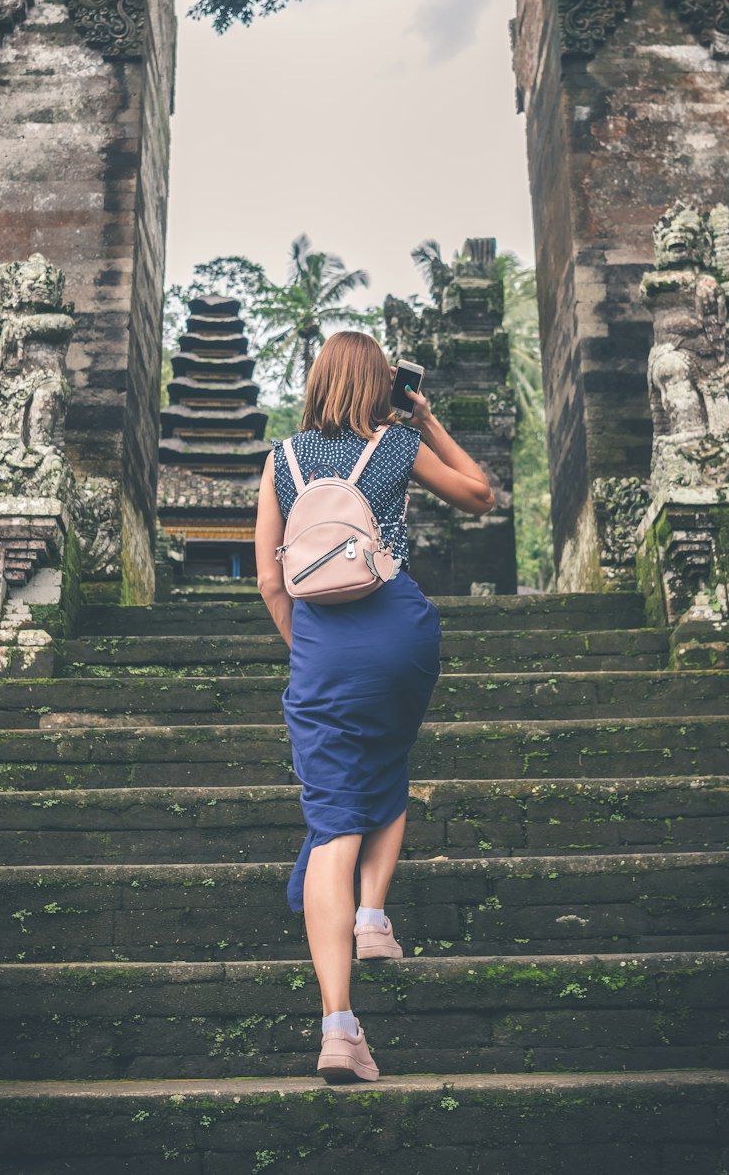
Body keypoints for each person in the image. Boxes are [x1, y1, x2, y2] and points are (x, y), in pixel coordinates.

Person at [254, 330, 495, 1083]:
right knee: (388, 756)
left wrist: (308, 650)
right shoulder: (394, 447)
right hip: (399, 630)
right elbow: (480, 495)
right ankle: (371, 915)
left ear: (319, 380)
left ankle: (337, 1027)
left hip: (325, 642)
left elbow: (268, 579)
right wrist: (425, 420)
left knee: (333, 826)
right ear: (380, 386)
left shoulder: (282, 460)